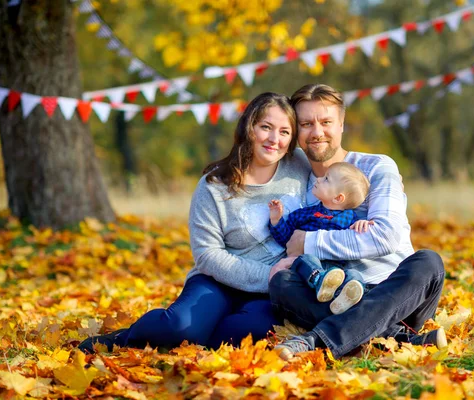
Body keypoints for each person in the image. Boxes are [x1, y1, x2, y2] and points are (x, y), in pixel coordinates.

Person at [78, 92, 311, 354]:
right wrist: (268, 274)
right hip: (217, 281)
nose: (274, 139)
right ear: (249, 127)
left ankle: (200, 333)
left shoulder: (300, 166)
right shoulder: (214, 185)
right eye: (265, 127)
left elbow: (340, 168)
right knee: (180, 329)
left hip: (269, 294)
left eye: (284, 132)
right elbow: (207, 255)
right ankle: (126, 337)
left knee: (245, 335)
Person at [268, 84, 447, 361]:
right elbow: (289, 243)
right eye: (306, 124)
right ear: (297, 132)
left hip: (397, 293)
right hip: (337, 297)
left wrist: (309, 242)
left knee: (429, 262)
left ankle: (316, 340)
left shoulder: (377, 167)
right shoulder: (299, 185)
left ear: (341, 125)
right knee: (281, 282)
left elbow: (385, 237)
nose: (317, 132)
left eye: (326, 122)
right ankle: (401, 338)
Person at [268, 162, 374, 315]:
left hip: (336, 268)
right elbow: (287, 240)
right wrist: (277, 221)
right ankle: (319, 279)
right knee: (303, 260)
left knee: (354, 275)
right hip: (308, 267)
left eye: (326, 179)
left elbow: (359, 239)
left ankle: (345, 297)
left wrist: (362, 223)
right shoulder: (306, 214)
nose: (318, 179)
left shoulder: (350, 218)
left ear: (338, 198)